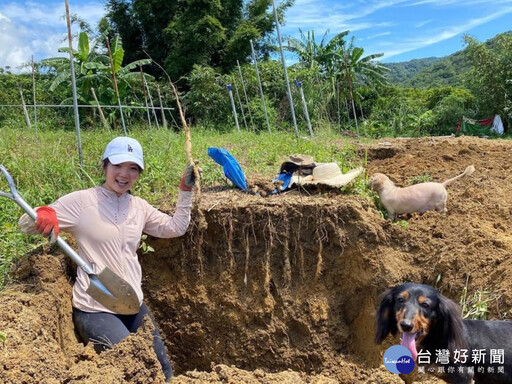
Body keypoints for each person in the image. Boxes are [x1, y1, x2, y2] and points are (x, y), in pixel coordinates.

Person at [18, 136, 196, 382]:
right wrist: (44, 213)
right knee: (134, 367)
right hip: (95, 308)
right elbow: (26, 224)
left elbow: (175, 227)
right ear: (104, 165)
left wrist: (185, 192)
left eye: (133, 168)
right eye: (118, 166)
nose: (125, 174)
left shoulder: (139, 207)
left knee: (163, 369)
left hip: (131, 302)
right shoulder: (81, 202)